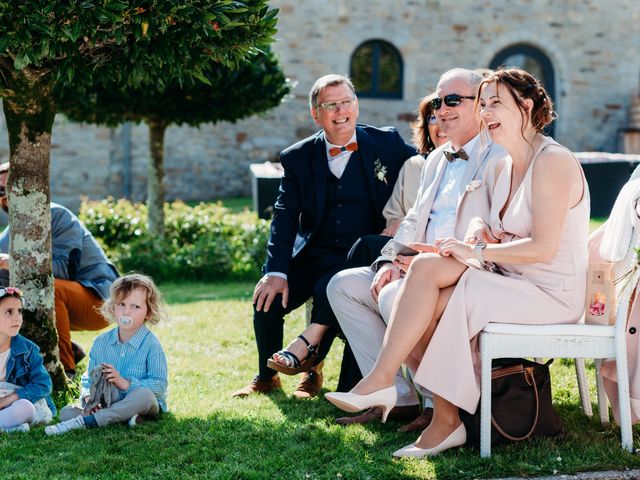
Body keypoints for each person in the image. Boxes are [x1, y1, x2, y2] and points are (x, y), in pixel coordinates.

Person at [325, 67, 589, 458]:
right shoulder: (506, 164)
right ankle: (419, 404)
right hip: (509, 280)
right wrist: (481, 231)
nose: (485, 113)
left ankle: (433, 413)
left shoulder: (553, 161)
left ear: (527, 106)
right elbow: (501, 227)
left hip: (550, 292)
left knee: (448, 287)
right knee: (426, 269)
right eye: (482, 105)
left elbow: (543, 249)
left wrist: (476, 253)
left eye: (494, 104)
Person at [326, 68, 505, 429]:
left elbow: (489, 231)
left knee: (394, 296)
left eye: (453, 100)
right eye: (439, 101)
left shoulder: (500, 156)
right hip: (416, 263)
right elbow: (411, 220)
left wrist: (424, 259)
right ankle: (398, 393)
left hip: (463, 270)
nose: (442, 109)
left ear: (481, 106)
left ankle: (436, 403)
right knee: (343, 286)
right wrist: (391, 259)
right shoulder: (437, 159)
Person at [232, 74, 417, 399]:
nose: (340, 110)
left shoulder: (386, 143)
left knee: (327, 289)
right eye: (330, 105)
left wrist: (403, 218)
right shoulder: (298, 157)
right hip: (316, 252)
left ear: (356, 107)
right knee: (267, 298)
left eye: (346, 102)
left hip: (362, 257)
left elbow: (423, 171)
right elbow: (284, 217)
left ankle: (310, 366)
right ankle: (266, 376)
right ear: (316, 114)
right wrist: (275, 271)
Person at [270, 91, 449, 396]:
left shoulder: (474, 163)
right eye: (433, 117)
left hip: (436, 260)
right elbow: (396, 216)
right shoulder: (416, 166)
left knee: (365, 250)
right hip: (400, 254)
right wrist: (398, 234)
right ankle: (347, 384)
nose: (441, 123)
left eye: (448, 115)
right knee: (351, 276)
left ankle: (312, 340)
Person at [0, 162, 119, 377]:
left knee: (50, 289)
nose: (5, 196)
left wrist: (15, 262)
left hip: (100, 299)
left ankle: (66, 370)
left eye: (11, 188)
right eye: (0, 191)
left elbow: (64, 270)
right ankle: (65, 351)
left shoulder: (57, 216)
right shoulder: (8, 236)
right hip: (59, 306)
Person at [45, 273, 168, 435]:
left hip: (139, 400)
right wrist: (89, 398)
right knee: (66, 412)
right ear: (113, 308)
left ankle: (88, 421)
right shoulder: (101, 342)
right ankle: (125, 418)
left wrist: (124, 383)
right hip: (108, 401)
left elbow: (159, 385)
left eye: (135, 307)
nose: (127, 312)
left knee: (145, 396)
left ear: (148, 313)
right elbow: (89, 378)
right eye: (121, 304)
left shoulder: (151, 345)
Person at [0, 286, 55, 433]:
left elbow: (43, 384)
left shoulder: (28, 350)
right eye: (9, 312)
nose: (17, 317)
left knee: (25, 409)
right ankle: (11, 428)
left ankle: (9, 424)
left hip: (17, 399)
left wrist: (6, 400)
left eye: (19, 311)